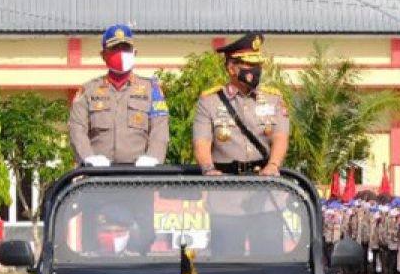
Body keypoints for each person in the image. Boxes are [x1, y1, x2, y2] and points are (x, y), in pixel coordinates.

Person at [68, 24, 169, 167]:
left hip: (139, 174)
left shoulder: (151, 90)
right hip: (96, 174)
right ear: (103, 55)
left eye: (125, 48)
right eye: (115, 48)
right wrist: (88, 157)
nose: (121, 53)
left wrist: (153, 158)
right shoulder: (88, 91)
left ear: (135, 53)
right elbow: (77, 128)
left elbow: (160, 129)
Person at [193, 32, 289, 176]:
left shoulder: (273, 99)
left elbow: (280, 136)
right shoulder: (210, 101)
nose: (255, 69)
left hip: (264, 180)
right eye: (249, 64)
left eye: (257, 64)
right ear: (231, 68)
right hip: (223, 182)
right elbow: (202, 142)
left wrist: (273, 165)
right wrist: (208, 169)